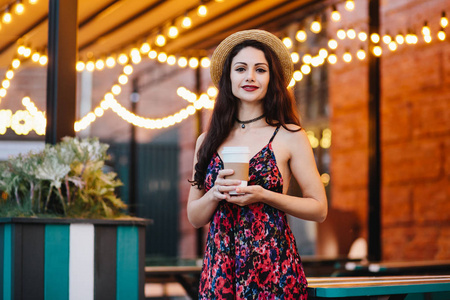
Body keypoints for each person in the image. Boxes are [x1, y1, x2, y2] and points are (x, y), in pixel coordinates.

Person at [187, 29, 327, 299]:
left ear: (271, 79)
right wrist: (214, 194)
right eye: (241, 68)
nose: (250, 76)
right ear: (229, 77)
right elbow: (195, 217)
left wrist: (264, 195)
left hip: (273, 267)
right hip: (220, 270)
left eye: (260, 70)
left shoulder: (290, 135)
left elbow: (319, 209)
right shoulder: (206, 140)